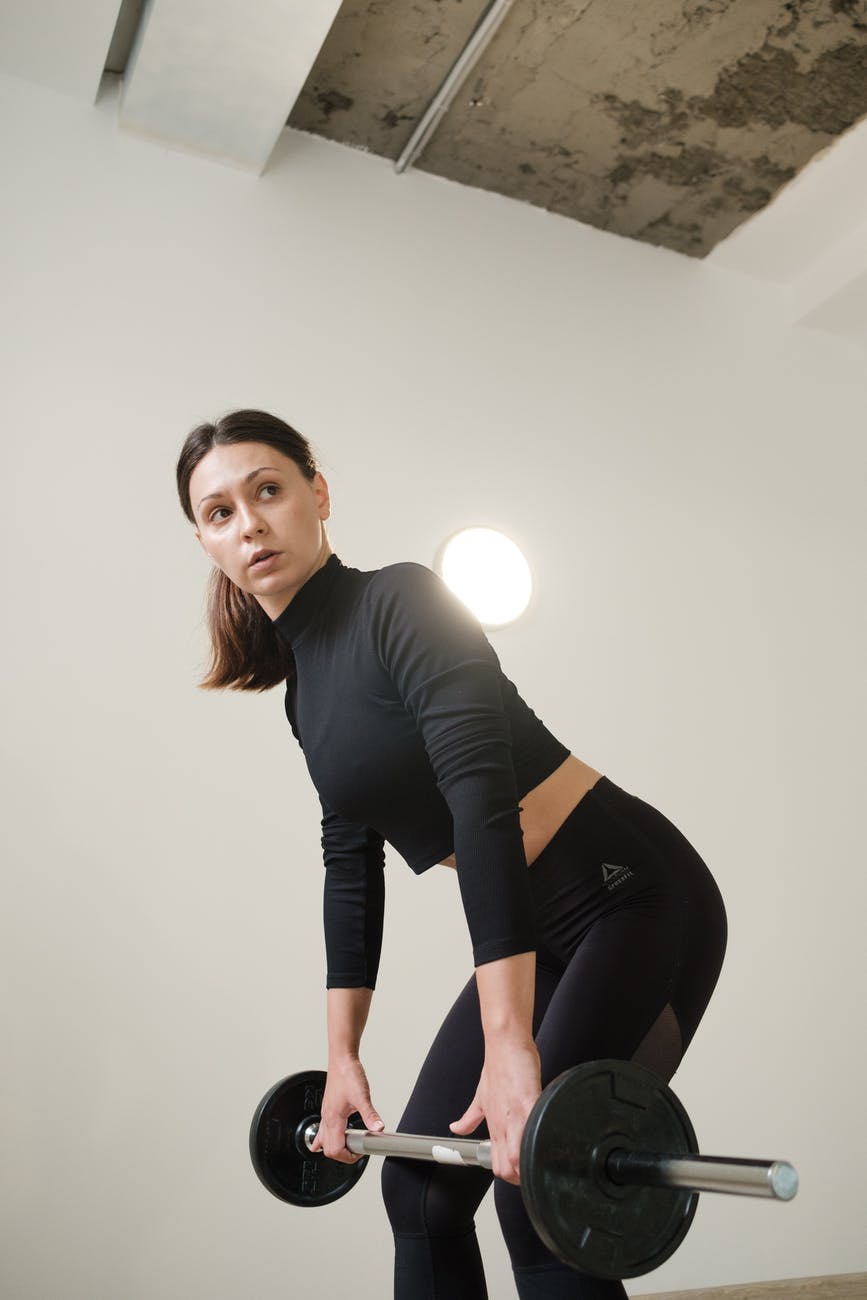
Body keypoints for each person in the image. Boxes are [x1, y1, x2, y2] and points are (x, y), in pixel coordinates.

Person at [177, 409, 727, 1300]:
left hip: (633, 899)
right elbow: (348, 865)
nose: (250, 523)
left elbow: (483, 809)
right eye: (220, 512)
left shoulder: (402, 602)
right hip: (536, 932)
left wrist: (510, 1047)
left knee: (535, 1183)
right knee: (421, 1191)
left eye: (267, 490)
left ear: (317, 494)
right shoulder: (304, 694)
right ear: (206, 543)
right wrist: (343, 1057)